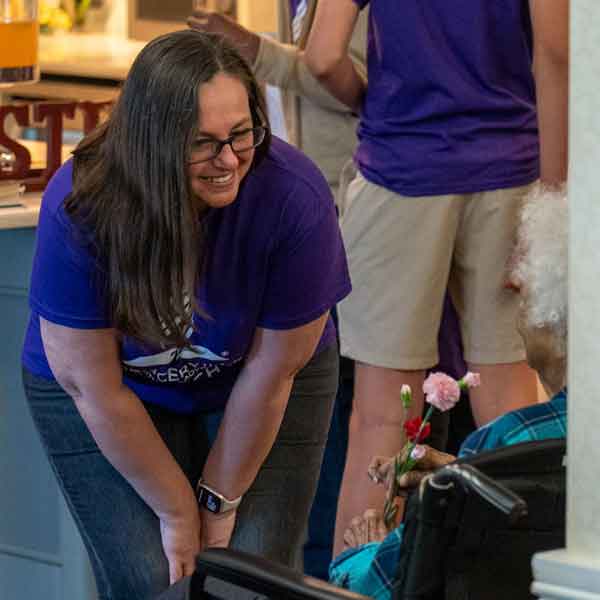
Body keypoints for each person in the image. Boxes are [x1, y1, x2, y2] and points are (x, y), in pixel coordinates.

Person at [21, 30, 351, 599]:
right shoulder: (82, 201)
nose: (228, 161)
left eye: (241, 134)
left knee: (243, 580)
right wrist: (178, 513)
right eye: (202, 143)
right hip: (107, 390)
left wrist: (217, 507)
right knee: (155, 580)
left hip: (264, 379)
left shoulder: (294, 196)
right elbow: (94, 390)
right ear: (153, 139)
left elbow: (272, 374)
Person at [187, 3, 470, 578]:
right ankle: (327, 574)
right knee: (326, 420)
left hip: (366, 216)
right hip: (326, 221)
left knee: (370, 413)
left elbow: (349, 83)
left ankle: (361, 574)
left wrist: (258, 53)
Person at [304, 0, 568, 554]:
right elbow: (556, 50)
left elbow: (324, 56)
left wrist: (373, 105)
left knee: (379, 420)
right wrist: (552, 199)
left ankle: (361, 587)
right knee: (511, 408)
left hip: (400, 166)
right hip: (510, 171)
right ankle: (518, 581)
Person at [329, 181, 569, 600]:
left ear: (555, 321)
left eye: (528, 289)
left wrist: (362, 551)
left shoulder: (509, 440)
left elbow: (386, 584)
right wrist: (461, 476)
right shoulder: (524, 445)